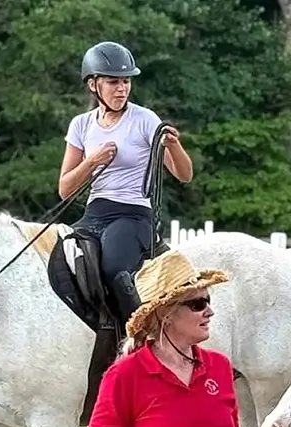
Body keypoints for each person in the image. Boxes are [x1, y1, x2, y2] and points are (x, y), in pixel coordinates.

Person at [83, 249, 291, 427]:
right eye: (197, 304)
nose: (209, 311)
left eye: (208, 301)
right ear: (166, 314)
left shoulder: (219, 367)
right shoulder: (125, 374)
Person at [57, 40, 194, 328]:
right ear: (93, 85)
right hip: (95, 213)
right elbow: (65, 188)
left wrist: (174, 146)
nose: (122, 88)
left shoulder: (145, 120)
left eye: (126, 81)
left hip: (132, 213)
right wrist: (92, 161)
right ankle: (96, 332)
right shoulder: (81, 125)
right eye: (113, 82)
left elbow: (185, 174)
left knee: (115, 267)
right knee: (63, 263)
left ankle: (144, 338)